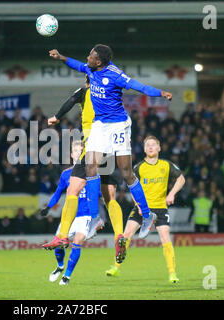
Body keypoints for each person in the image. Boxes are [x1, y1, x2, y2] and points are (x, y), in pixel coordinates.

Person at [43, 44, 172, 252]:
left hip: (119, 125)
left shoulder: (115, 75)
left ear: (100, 61)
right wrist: (61, 57)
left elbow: (139, 86)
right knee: (91, 166)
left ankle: (147, 215)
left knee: (127, 172)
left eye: (91, 56)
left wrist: (160, 92)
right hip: (100, 126)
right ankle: (95, 218)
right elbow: (77, 65)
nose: (88, 57)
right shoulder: (90, 69)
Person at [45, 75, 127, 262]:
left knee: (73, 189)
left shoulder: (85, 91)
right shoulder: (112, 94)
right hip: (111, 149)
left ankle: (63, 234)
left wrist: (56, 117)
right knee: (110, 197)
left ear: (88, 82)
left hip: (92, 146)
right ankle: (119, 235)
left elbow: (70, 101)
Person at [106, 136, 185, 284]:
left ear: (159, 148)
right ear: (144, 149)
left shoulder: (167, 165)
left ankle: (172, 273)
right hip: (142, 208)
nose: (150, 147)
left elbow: (181, 179)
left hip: (160, 207)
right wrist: (139, 205)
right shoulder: (138, 167)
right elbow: (132, 187)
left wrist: (172, 193)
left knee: (165, 237)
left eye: (153, 145)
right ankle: (115, 267)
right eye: (147, 145)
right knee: (126, 235)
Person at [40, 141, 104, 285]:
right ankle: (60, 266)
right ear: (71, 154)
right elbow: (58, 193)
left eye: (81, 150)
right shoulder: (66, 174)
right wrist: (48, 207)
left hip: (85, 215)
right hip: (70, 215)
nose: (78, 153)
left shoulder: (93, 173)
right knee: (59, 244)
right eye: (76, 150)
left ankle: (67, 276)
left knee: (77, 243)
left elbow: (99, 193)